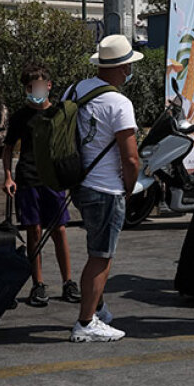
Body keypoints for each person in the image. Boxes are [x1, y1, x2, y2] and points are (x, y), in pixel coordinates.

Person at [65, 35, 143, 342]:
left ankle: (98, 308)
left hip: (81, 184)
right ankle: (86, 323)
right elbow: (131, 157)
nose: (129, 72)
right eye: (128, 67)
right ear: (122, 68)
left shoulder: (77, 89)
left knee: (94, 250)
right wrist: (129, 187)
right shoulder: (119, 103)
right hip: (106, 188)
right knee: (100, 257)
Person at [2, 65, 80, 307]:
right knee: (33, 231)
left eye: (38, 84)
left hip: (53, 178)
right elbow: (7, 148)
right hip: (27, 177)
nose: (34, 90)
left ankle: (68, 282)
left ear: (49, 85)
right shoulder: (20, 116)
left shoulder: (59, 113)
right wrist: (7, 176)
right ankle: (38, 284)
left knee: (60, 230)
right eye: (29, 86)